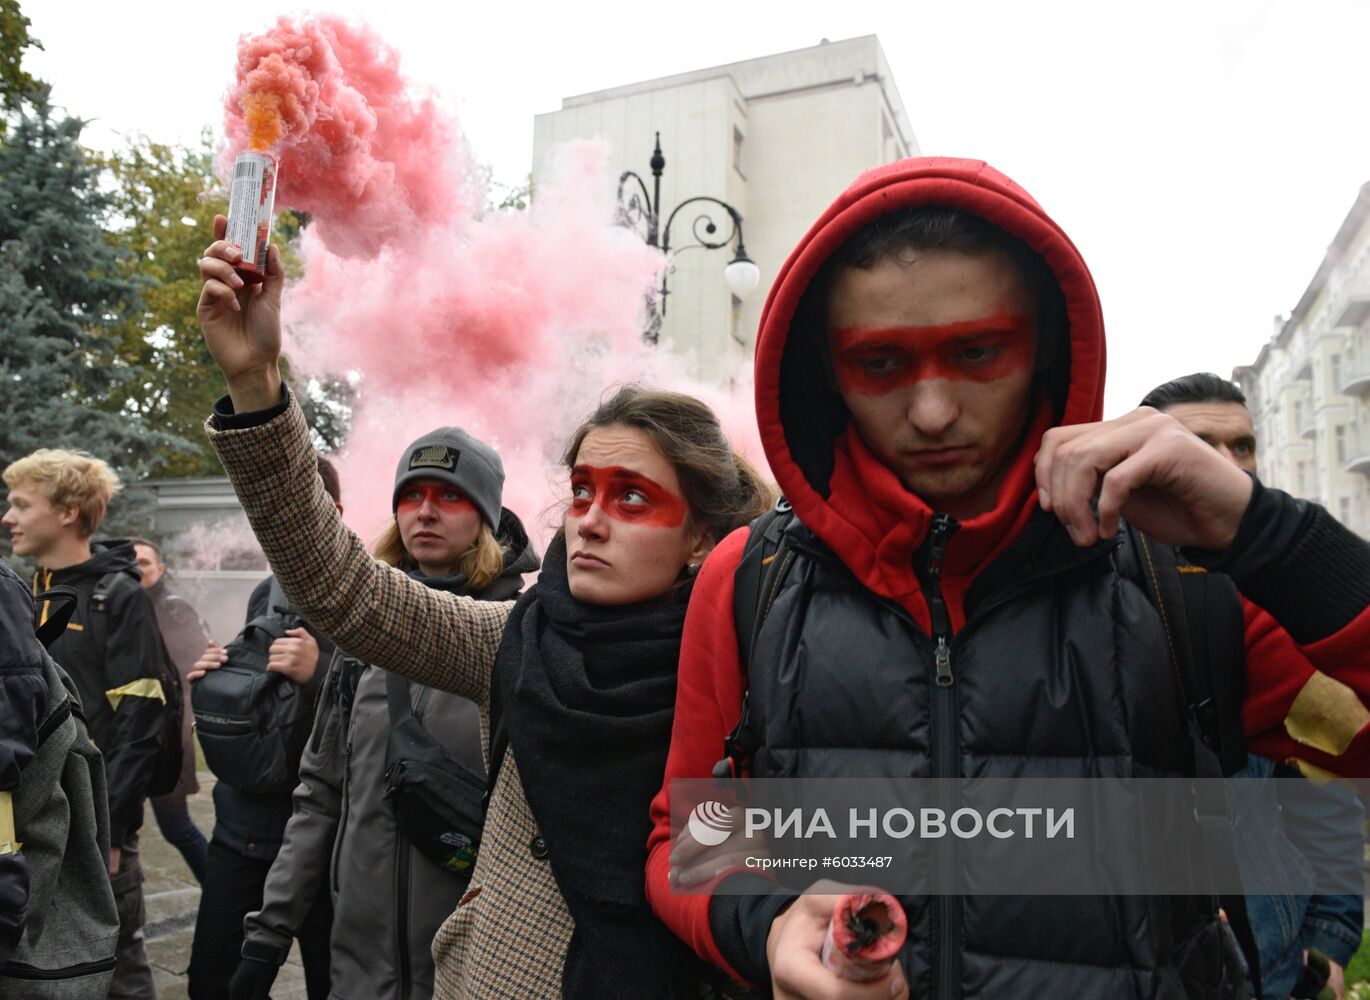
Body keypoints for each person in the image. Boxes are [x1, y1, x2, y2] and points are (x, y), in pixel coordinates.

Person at [641, 157, 1370, 1000]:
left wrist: (1263, 531)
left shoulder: (1179, 585)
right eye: (880, 363)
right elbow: (690, 838)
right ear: (824, 371)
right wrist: (763, 926)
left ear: (1047, 347)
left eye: (978, 351)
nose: (932, 412)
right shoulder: (750, 580)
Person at [194, 217, 773, 999]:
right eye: (580, 492)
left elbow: (840, 857)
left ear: (702, 534)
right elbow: (345, 589)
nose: (589, 519)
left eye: (631, 497)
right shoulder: (519, 639)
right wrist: (257, 384)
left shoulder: (750, 670)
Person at [225, 427, 539, 1000]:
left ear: (487, 516)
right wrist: (269, 935)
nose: (425, 512)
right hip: (358, 969)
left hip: (472, 970)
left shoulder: (524, 639)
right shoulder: (361, 640)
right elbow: (320, 793)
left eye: (450, 496)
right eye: (411, 496)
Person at [1142, 372, 1365, 1000]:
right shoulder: (1100, 594)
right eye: (1197, 444)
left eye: (1242, 446)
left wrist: (1328, 940)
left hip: (1272, 963)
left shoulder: (1281, 604)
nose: (1226, 465)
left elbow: (1325, 789)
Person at [3, 449, 166, 999]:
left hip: (100, 828)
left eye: (22, 504)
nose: (8, 517)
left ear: (68, 512)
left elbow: (142, 723)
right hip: (43, 821)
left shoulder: (117, 596)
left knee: (117, 966)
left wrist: (111, 831)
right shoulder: (32, 590)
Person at [184, 455, 342, 1000]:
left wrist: (318, 673)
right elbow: (260, 701)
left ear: (335, 513)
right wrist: (216, 678)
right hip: (242, 830)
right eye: (269, 512)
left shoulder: (368, 594)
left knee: (332, 985)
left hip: (326, 844)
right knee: (213, 982)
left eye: (295, 509)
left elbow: (383, 716)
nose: (279, 525)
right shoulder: (266, 590)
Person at [131, 536, 212, 885]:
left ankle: (219, 891)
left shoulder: (173, 607)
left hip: (166, 739)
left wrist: (178, 730)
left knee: (176, 827)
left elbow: (193, 670)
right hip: (133, 737)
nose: (136, 568)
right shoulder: (127, 606)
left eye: (145, 563)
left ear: (160, 569)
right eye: (130, 561)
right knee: (121, 833)